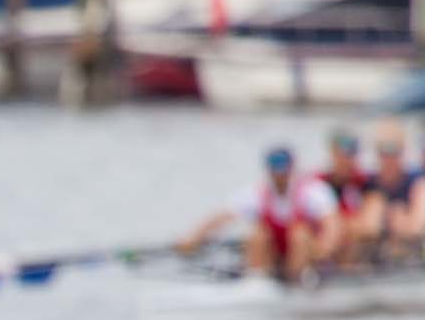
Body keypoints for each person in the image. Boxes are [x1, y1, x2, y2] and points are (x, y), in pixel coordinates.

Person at [180, 145, 341, 283]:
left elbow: (332, 226)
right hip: (272, 252)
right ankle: (257, 282)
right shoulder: (256, 193)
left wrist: (324, 250)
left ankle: (297, 281)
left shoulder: (313, 191)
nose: (279, 173)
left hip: (306, 251)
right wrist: (192, 239)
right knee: (259, 235)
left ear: (292, 167)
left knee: (299, 234)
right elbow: (221, 218)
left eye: (283, 167)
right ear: (268, 168)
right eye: (275, 167)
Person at [359, 121, 424, 264]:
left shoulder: (416, 182)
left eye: (394, 152)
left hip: (411, 249)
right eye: (384, 152)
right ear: (377, 154)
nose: (389, 159)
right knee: (375, 208)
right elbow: (367, 228)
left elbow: (416, 227)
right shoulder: (369, 184)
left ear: (402, 152)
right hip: (379, 249)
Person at [317, 129, 371, 265]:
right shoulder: (318, 184)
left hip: (352, 241)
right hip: (325, 239)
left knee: (354, 228)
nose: (346, 161)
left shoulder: (364, 182)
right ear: (333, 155)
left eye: (351, 155)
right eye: (342, 155)